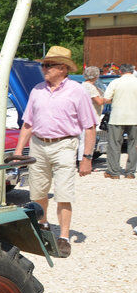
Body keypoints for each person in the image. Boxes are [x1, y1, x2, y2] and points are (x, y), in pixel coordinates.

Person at [12, 46, 97, 257]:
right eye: (43, 65)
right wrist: (18, 151)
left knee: (64, 193)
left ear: (62, 68)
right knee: (38, 191)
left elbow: (90, 126)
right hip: (39, 145)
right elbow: (28, 124)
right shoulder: (37, 90)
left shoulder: (77, 91)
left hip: (64, 145)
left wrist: (86, 158)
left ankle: (64, 237)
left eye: (48, 65)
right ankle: (43, 226)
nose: (43, 69)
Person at [103, 62, 137, 179]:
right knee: (133, 145)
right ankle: (130, 172)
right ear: (132, 71)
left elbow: (106, 99)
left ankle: (114, 172)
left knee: (114, 145)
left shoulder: (115, 82)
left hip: (117, 116)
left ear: (120, 71)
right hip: (135, 117)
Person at [78, 66, 106, 162]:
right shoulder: (89, 87)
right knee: (86, 140)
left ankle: (83, 160)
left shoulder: (84, 85)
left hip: (86, 116)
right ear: (96, 76)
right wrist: (108, 99)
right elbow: (99, 101)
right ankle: (83, 161)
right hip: (90, 116)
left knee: (84, 139)